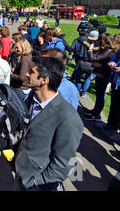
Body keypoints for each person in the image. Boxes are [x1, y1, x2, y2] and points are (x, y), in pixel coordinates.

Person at [13, 56, 84, 191]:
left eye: (32, 72)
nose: (27, 74)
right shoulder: (32, 98)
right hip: (22, 174)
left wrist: (35, 182)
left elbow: (63, 164)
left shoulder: (68, 118)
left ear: (44, 80)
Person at [82, 34, 119, 121]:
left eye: (100, 41)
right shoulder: (107, 50)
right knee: (99, 94)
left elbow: (94, 58)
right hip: (100, 73)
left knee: (100, 95)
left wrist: (90, 49)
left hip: (104, 75)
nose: (98, 42)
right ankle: (95, 111)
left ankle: (97, 114)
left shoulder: (109, 50)